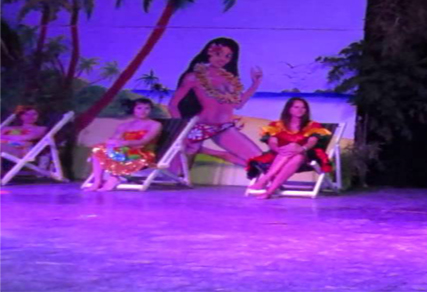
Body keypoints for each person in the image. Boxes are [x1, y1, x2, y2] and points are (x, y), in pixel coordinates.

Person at [168, 37, 263, 167]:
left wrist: (255, 84)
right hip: (200, 126)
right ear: (209, 52)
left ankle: (218, 154)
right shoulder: (194, 77)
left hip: (224, 127)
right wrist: (181, 131)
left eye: (228, 56)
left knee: (260, 159)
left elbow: (238, 104)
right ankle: (214, 153)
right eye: (218, 54)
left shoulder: (229, 78)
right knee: (178, 169)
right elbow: (173, 105)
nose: (223, 59)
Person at [245, 97, 332, 199]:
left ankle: (265, 179)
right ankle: (269, 191)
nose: (300, 110)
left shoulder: (313, 125)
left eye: (303, 107)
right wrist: (278, 150)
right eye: (296, 107)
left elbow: (312, 141)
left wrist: (302, 148)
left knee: (294, 147)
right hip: (281, 155)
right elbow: (272, 142)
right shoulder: (277, 125)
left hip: (306, 154)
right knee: (295, 155)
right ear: (289, 109)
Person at [85, 98, 162, 191]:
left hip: (142, 153)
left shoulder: (155, 125)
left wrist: (125, 143)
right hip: (124, 151)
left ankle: (114, 177)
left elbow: (144, 141)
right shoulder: (125, 125)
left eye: (147, 108)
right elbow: (115, 138)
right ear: (133, 109)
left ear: (150, 110)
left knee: (112, 151)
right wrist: (112, 142)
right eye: (139, 108)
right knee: (98, 149)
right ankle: (97, 182)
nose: (143, 111)